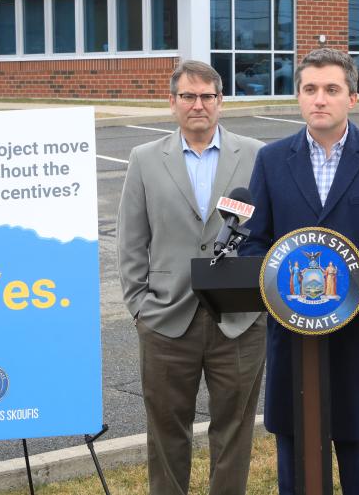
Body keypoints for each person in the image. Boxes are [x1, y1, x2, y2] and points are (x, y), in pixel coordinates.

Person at [241, 48, 359, 495]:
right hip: (293, 341)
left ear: (352, 98)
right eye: (309, 89)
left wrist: (354, 279)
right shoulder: (271, 159)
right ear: (298, 97)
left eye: (331, 90)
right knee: (296, 474)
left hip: (358, 343)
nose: (319, 99)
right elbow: (256, 241)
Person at [117, 60, 266, 495]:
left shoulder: (256, 155)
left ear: (221, 102)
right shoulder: (144, 159)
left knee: (234, 432)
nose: (197, 105)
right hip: (165, 318)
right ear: (172, 102)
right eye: (188, 96)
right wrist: (140, 307)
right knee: (166, 432)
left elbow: (268, 232)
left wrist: (260, 307)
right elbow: (131, 240)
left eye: (206, 96)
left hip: (239, 320)